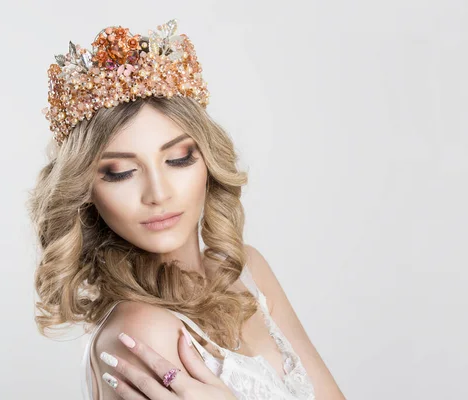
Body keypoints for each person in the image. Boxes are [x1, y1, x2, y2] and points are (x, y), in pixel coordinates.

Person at [28, 19, 345, 400]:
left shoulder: (248, 270)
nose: (158, 193)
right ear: (86, 191)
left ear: (208, 161)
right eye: (121, 172)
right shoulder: (139, 332)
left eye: (178, 159)